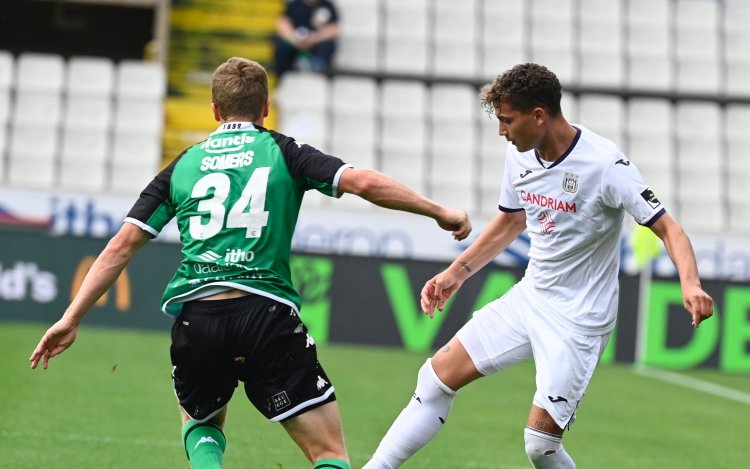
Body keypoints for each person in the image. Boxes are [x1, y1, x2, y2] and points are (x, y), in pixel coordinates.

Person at [29, 57, 471, 469]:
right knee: (327, 452)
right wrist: (440, 212)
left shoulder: (183, 165)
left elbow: (121, 246)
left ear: (215, 110)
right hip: (266, 314)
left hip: (198, 316)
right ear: (265, 106)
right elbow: (363, 181)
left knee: (201, 423)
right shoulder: (284, 151)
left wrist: (70, 318)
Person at [363, 63, 714, 469]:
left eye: (507, 121)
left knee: (540, 445)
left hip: (579, 320)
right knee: (435, 378)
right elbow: (512, 220)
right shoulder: (520, 157)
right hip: (531, 298)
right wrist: (455, 273)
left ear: (539, 116)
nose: (502, 132)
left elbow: (669, 228)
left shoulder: (604, 165)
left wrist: (690, 283)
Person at [274, 0, 340, 79]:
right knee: (282, 45)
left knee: (328, 45)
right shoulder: (295, 4)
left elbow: (334, 29)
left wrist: (313, 38)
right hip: (295, 44)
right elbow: (283, 24)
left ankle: (317, 70)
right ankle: (284, 74)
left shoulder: (327, 5)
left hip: (317, 44)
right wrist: (295, 40)